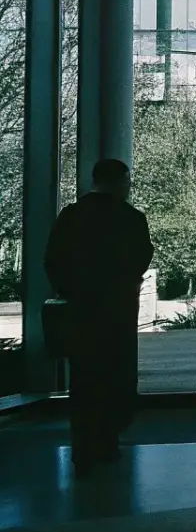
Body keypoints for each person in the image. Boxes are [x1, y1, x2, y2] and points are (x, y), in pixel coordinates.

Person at [44, 159, 154, 476]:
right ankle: (108, 441)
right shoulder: (131, 218)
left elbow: (53, 258)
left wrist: (71, 289)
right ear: (121, 182)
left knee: (84, 378)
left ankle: (84, 446)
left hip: (82, 311)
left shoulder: (72, 216)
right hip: (117, 312)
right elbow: (140, 257)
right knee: (115, 374)